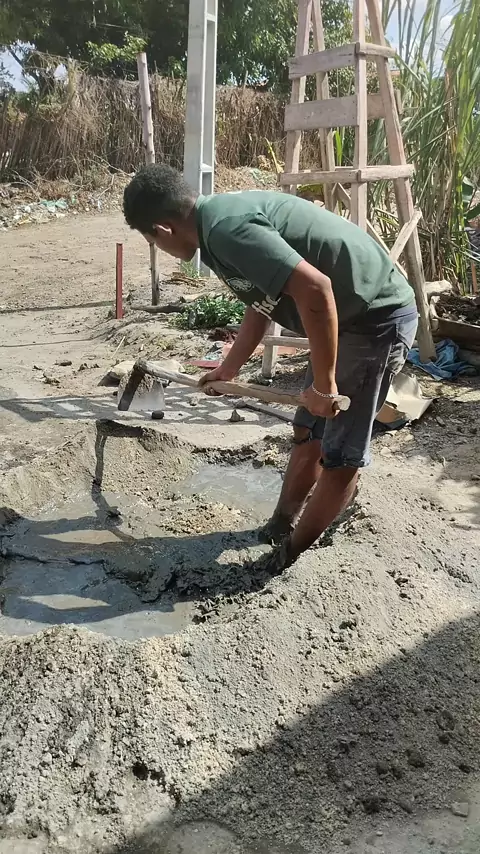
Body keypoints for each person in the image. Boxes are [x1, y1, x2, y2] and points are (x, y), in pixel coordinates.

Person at [123, 163, 418, 572]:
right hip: (345, 318)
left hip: (374, 318)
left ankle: (287, 561)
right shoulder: (213, 232)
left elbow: (317, 288)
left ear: (163, 229)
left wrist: (325, 386)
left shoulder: (227, 229)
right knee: (307, 430)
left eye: (153, 241)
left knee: (340, 454)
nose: (162, 249)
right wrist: (229, 368)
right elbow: (260, 301)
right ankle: (280, 525)